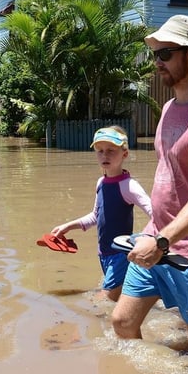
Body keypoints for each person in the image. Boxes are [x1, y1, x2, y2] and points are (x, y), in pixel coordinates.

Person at [110, 14, 188, 358]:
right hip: (156, 236)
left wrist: (163, 242)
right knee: (122, 322)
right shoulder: (168, 107)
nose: (157, 63)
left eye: (165, 54)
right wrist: (154, 235)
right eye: (155, 55)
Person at [51, 126, 153, 302]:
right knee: (118, 299)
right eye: (100, 151)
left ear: (125, 154)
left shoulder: (129, 186)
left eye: (111, 151)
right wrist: (68, 226)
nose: (105, 155)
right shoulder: (101, 183)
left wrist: (147, 239)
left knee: (102, 301)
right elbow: (96, 216)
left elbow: (156, 214)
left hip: (120, 255)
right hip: (104, 254)